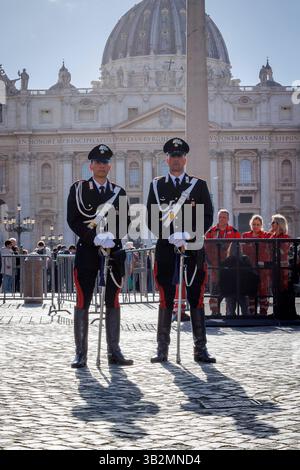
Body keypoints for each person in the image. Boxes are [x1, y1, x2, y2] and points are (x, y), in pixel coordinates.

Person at [147, 138, 216, 363]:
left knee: (196, 297)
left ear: (185, 159)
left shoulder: (199, 185)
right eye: (172, 156)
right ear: (166, 159)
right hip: (167, 249)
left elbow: (207, 216)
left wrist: (189, 235)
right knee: (166, 297)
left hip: (193, 248)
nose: (176, 160)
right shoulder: (156, 186)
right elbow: (150, 216)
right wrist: (170, 236)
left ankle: (200, 349)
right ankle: (162, 349)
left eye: (179, 156)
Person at [67, 144, 133, 368]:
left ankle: (114, 351)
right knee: (83, 299)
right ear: (91, 165)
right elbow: (74, 219)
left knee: (112, 300)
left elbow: (125, 221)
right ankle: (81, 353)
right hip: (87, 251)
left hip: (113, 252)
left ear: (109, 166)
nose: (102, 166)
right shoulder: (78, 189)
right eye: (98, 162)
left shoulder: (118, 192)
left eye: (105, 162)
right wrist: (93, 238)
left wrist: (112, 238)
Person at [205, 210, 241, 315]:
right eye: (220, 217)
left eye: (224, 217)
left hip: (230, 268)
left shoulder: (234, 232)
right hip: (215, 267)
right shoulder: (210, 232)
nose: (222, 219)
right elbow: (206, 249)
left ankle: (230, 313)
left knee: (230, 290)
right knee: (215, 291)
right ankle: (215, 313)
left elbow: (239, 249)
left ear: (228, 219)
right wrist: (209, 264)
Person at [268, 214, 296, 319]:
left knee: (283, 288)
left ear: (279, 224)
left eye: (273, 222)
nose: (271, 224)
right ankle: (277, 310)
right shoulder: (272, 236)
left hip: (283, 267)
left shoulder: (285, 237)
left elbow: (283, 252)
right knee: (275, 288)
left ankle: (284, 312)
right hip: (274, 266)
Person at [242, 215, 271, 315]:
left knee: (263, 289)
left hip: (263, 267)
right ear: (250, 224)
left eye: (258, 224)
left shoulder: (266, 235)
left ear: (261, 225)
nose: (255, 226)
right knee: (251, 289)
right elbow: (244, 250)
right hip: (250, 266)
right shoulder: (245, 235)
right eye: (254, 224)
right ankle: (252, 312)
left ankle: (263, 312)